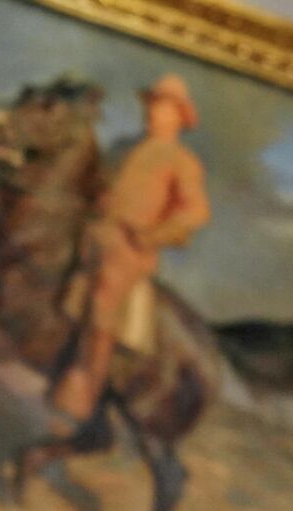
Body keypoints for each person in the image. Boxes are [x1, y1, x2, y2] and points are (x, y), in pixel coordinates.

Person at [49, 73, 211, 425]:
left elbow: (196, 211)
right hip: (94, 231)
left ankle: (85, 390)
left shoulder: (182, 161)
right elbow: (97, 182)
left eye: (163, 108)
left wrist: (152, 235)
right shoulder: (123, 146)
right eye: (152, 105)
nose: (154, 113)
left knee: (104, 297)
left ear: (180, 117)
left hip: (130, 247)